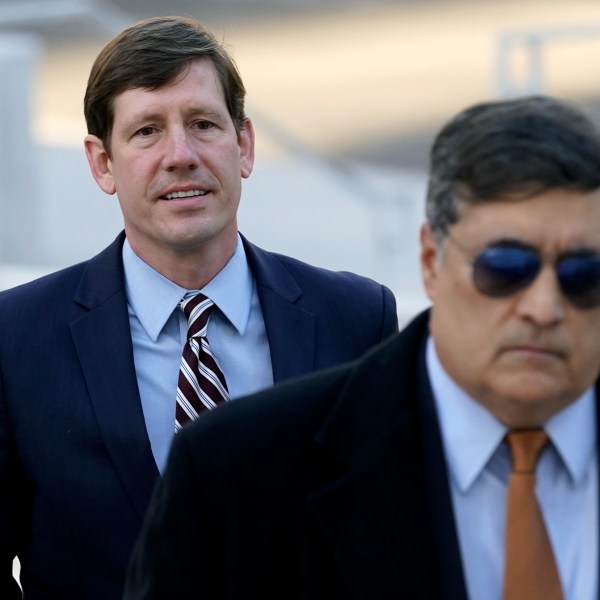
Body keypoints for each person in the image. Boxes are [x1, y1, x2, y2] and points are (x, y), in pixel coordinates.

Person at [124, 94, 600, 600]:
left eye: (583, 275)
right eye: (505, 268)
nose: (544, 307)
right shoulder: (238, 473)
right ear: (430, 261)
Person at [0, 15, 398, 600]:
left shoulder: (357, 318)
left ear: (245, 145)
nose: (180, 155)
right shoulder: (16, 338)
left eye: (203, 124)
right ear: (102, 163)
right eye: (146, 132)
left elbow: (394, 540)